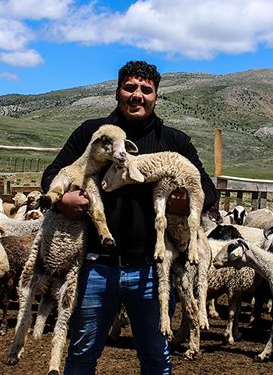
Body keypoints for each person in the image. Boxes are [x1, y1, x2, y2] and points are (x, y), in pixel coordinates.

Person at [41, 60, 218, 375]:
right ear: (118, 91)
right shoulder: (92, 134)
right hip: (97, 266)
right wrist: (61, 201)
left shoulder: (174, 142)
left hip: (151, 270)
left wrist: (185, 199)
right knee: (82, 354)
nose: (138, 95)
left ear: (156, 96)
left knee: (155, 356)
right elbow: (53, 173)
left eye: (146, 90)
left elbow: (207, 189)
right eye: (130, 88)